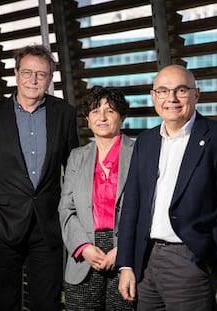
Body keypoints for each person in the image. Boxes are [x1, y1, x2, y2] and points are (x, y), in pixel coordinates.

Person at [116, 65, 217, 310]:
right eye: (163, 91)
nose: (171, 98)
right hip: (145, 261)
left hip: (190, 260)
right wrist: (126, 264)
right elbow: (131, 208)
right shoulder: (145, 142)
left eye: (181, 90)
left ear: (196, 94)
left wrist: (212, 258)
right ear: (153, 96)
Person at [0, 44, 79, 311]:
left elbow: (73, 169)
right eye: (27, 72)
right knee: (6, 304)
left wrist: (67, 214)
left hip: (47, 227)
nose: (33, 80)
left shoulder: (64, 114)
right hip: (1, 225)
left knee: (48, 304)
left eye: (41, 74)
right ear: (16, 73)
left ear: (50, 79)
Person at [58, 86, 134, 311]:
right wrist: (83, 247)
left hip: (125, 251)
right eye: (94, 112)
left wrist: (124, 250)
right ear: (88, 120)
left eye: (110, 111)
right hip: (84, 253)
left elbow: (147, 208)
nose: (101, 117)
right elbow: (66, 209)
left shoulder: (139, 152)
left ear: (121, 117)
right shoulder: (76, 157)